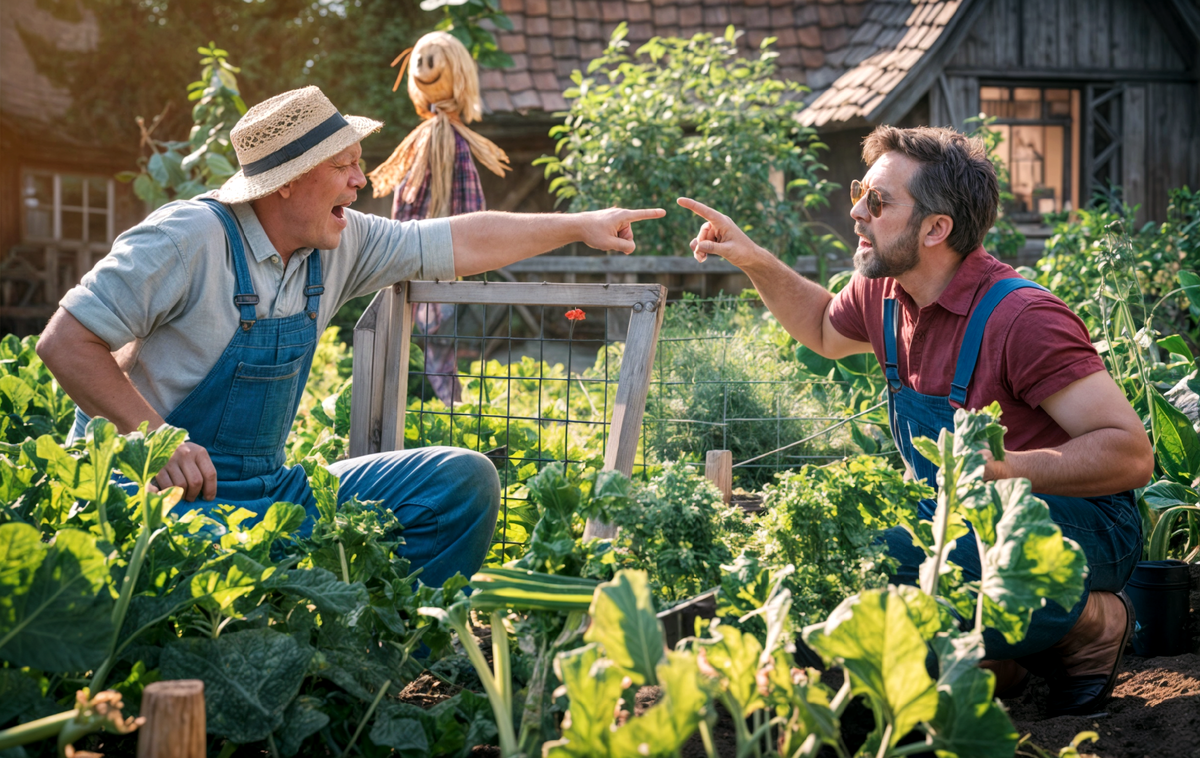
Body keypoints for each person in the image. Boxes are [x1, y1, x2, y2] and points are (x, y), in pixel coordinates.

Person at [36, 86, 664, 588]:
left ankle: (384, 655)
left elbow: (459, 240)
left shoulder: (340, 242)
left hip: (268, 493)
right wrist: (155, 438)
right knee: (226, 566)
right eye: (343, 168)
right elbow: (65, 341)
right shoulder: (187, 238)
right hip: (157, 500)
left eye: (356, 166)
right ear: (285, 180)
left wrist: (579, 224)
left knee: (462, 481)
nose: (360, 183)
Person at [677, 125, 1153, 718]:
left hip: (1086, 526)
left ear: (935, 229)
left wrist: (999, 467)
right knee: (845, 558)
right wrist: (752, 259)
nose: (855, 211)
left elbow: (1130, 454)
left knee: (890, 563)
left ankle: (1091, 622)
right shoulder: (882, 291)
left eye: (877, 202)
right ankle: (996, 660)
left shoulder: (1022, 318)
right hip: (961, 518)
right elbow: (825, 329)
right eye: (860, 191)